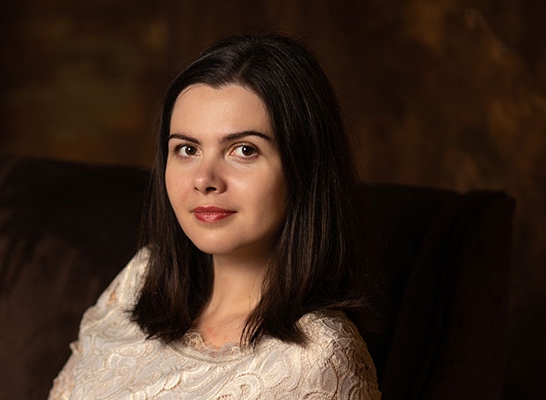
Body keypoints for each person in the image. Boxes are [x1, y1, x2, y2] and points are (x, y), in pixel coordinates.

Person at [49, 33, 380, 399]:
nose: (204, 180)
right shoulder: (142, 276)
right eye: (187, 149)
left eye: (243, 150)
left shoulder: (318, 360)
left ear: (304, 168)